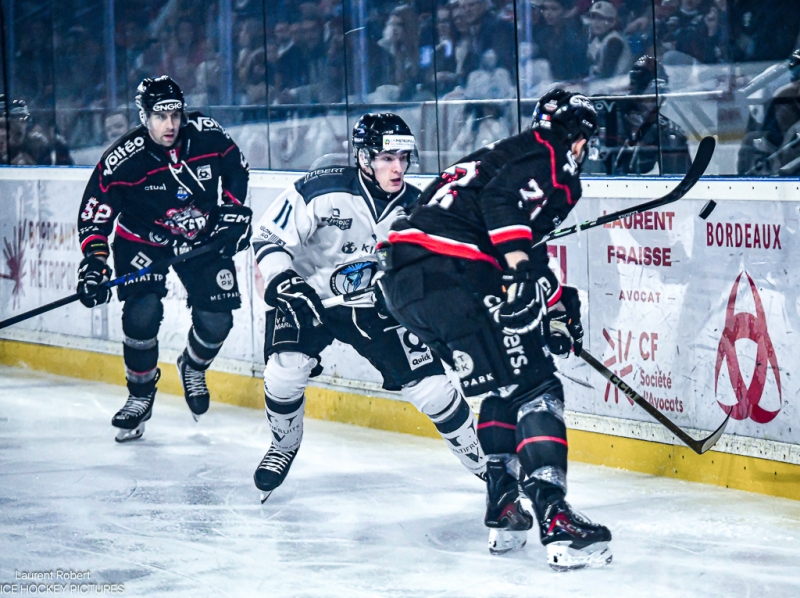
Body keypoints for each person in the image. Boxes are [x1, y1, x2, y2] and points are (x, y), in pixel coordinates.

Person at [378, 90, 612, 571]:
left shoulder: (485, 158)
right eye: (586, 137)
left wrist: (554, 301)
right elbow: (505, 209)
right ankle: (555, 517)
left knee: (505, 386)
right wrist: (522, 271)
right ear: (577, 134)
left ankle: (504, 508)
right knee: (537, 387)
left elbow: (509, 233)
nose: (585, 149)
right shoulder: (548, 156)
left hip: (409, 286)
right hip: (453, 274)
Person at [250, 113, 486, 502]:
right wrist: (283, 280)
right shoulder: (320, 188)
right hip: (307, 296)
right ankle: (283, 445)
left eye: (403, 159)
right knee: (284, 373)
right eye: (386, 158)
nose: (397, 168)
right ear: (363, 157)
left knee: (435, 391)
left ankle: (487, 467)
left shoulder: (416, 205)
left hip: (374, 307)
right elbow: (268, 236)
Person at [75, 76, 252, 442]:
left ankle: (193, 365)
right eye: (159, 116)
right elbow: (95, 215)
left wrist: (233, 212)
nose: (170, 124)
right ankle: (140, 397)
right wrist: (94, 263)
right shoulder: (122, 160)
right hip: (143, 239)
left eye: (175, 114)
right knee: (142, 314)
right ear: (144, 117)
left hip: (199, 235)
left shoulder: (206, 133)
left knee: (217, 320)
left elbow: (236, 167)